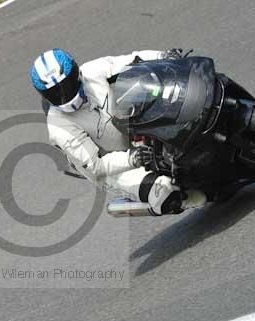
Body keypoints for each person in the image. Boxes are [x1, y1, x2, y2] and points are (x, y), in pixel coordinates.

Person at [30, 48, 207, 215]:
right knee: (165, 193)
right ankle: (185, 198)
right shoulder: (58, 126)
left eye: (66, 86)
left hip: (132, 126)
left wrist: (163, 55)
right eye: (55, 93)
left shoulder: (93, 71)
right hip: (112, 169)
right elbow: (96, 166)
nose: (64, 95)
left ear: (76, 74)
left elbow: (134, 60)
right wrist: (133, 158)